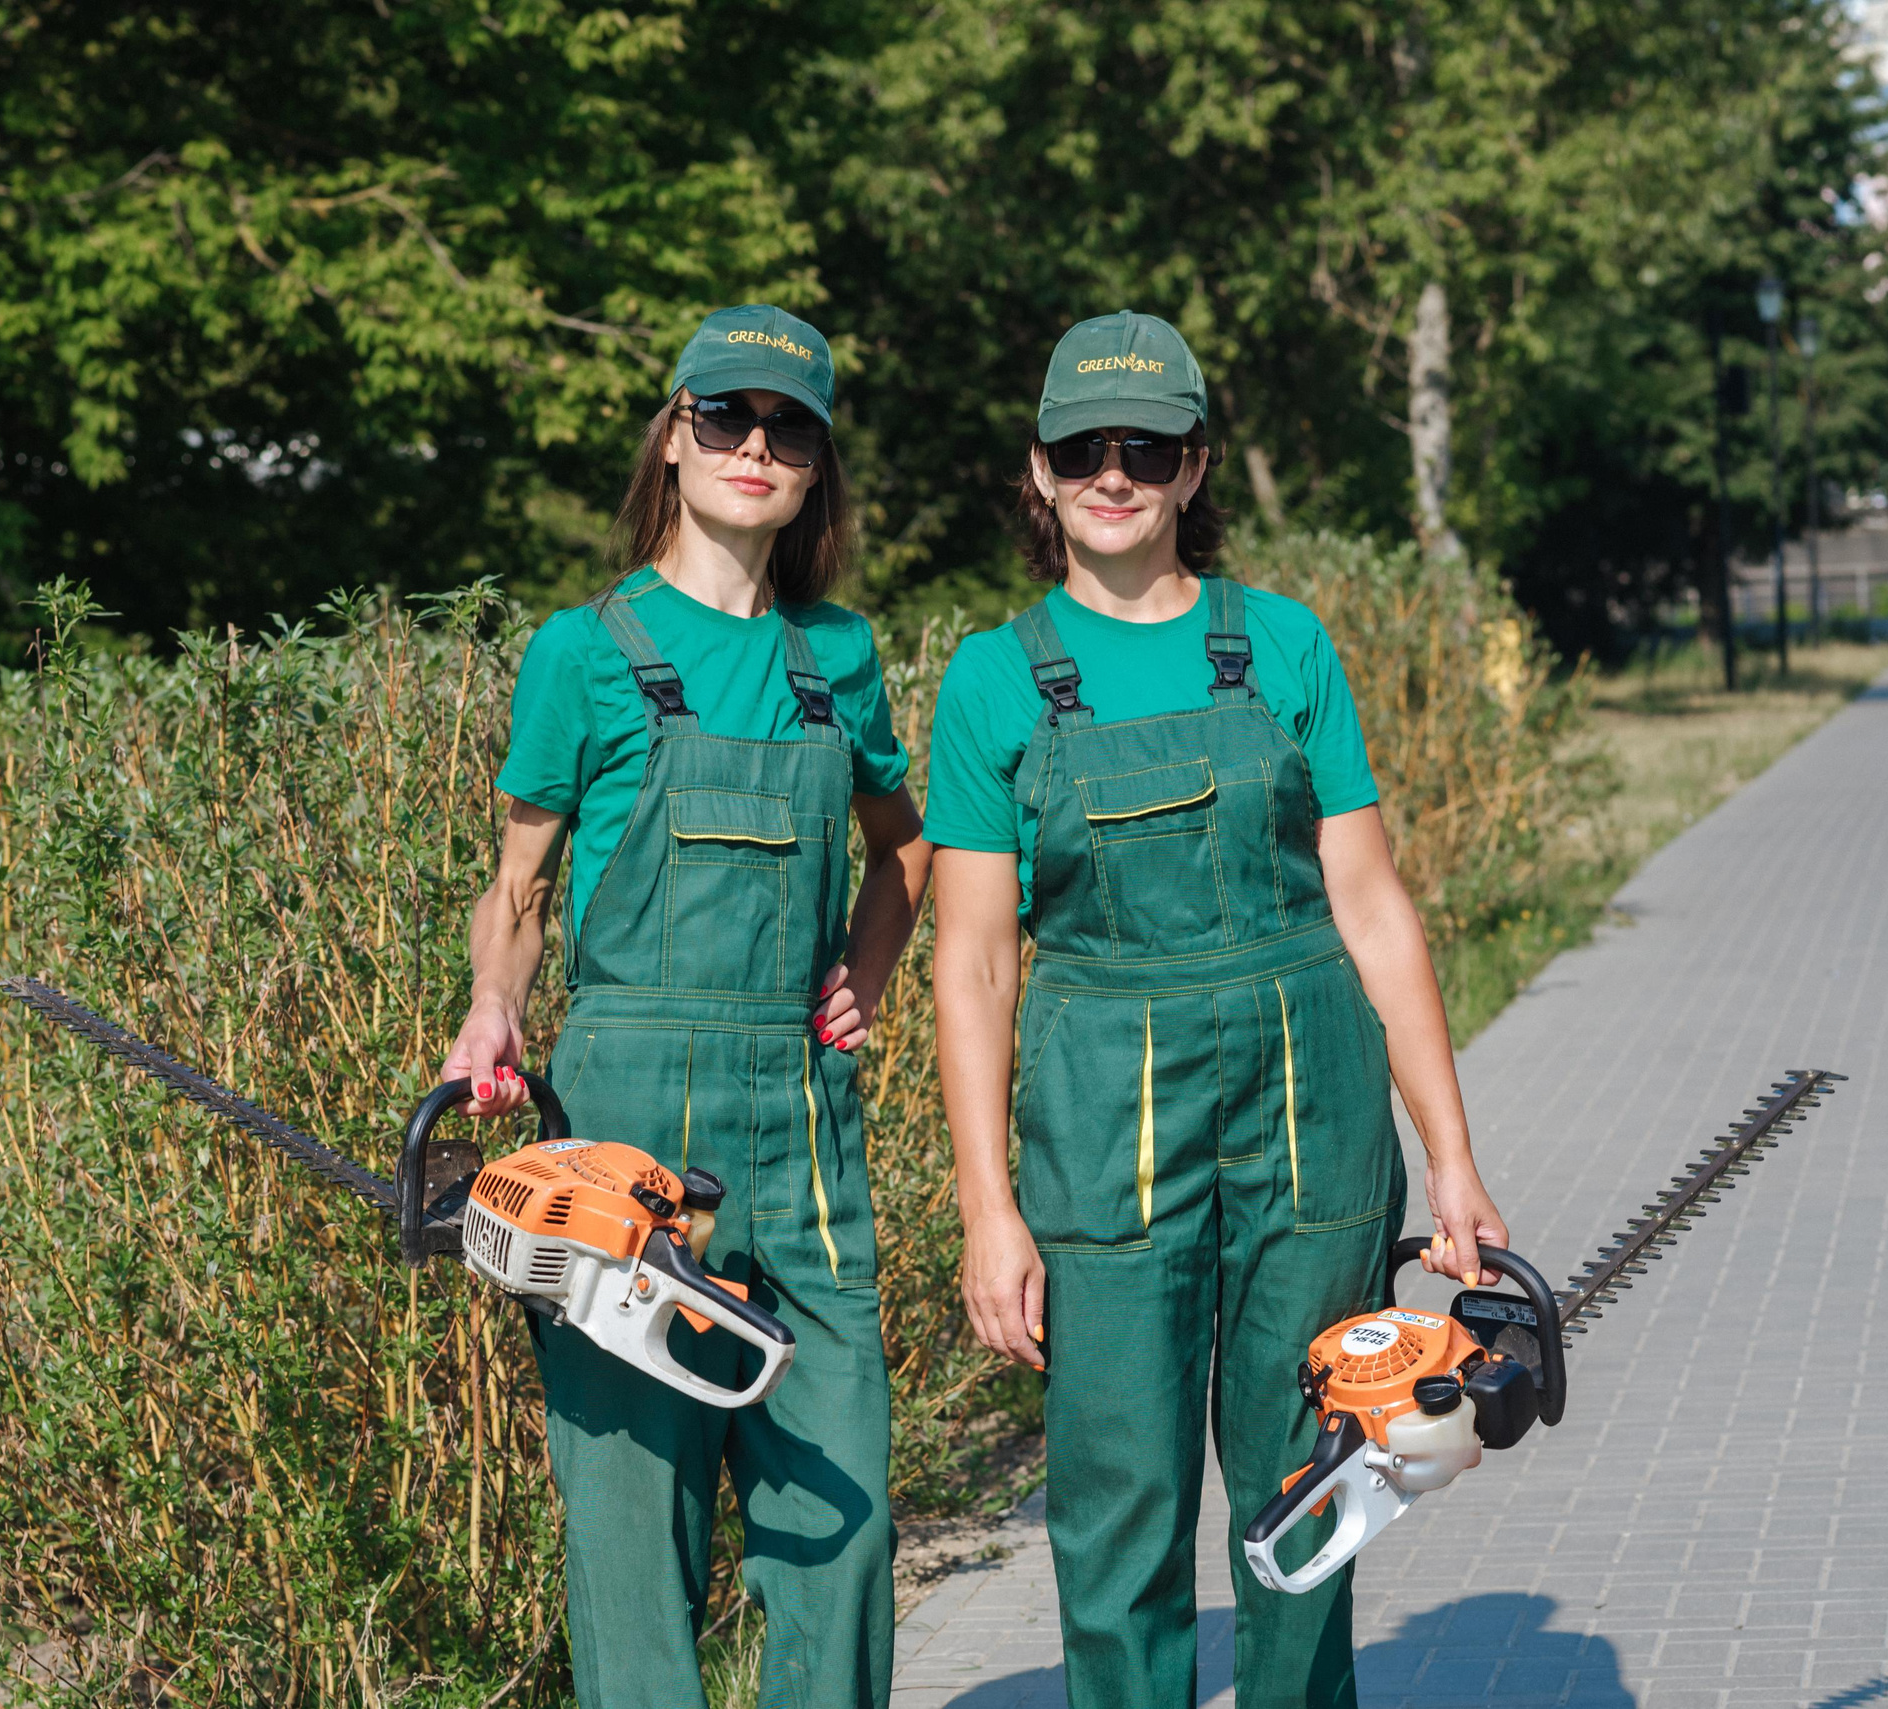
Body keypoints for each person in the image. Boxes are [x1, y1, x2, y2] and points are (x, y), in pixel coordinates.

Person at [926, 310, 1509, 1708]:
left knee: (1314, 1479)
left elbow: (1371, 907)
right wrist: (987, 1207)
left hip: (1311, 1118)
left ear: (1196, 465)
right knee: (1116, 1501)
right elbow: (973, 961)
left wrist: (1453, 1156)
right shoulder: (995, 676)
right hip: (1100, 1128)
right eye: (1082, 447)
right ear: (1039, 468)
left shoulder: (1285, 645)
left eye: (1147, 447)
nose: (1112, 474)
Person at [440, 304, 929, 1709]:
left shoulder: (838, 654)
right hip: (624, 1119)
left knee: (842, 1519)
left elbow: (906, 844)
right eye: (726, 417)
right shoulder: (582, 651)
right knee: (632, 1529)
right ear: (674, 436)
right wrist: (491, 1011)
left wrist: (868, 967)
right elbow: (519, 890)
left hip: (805, 1123)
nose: (756, 446)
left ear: (818, 465)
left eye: (789, 427)